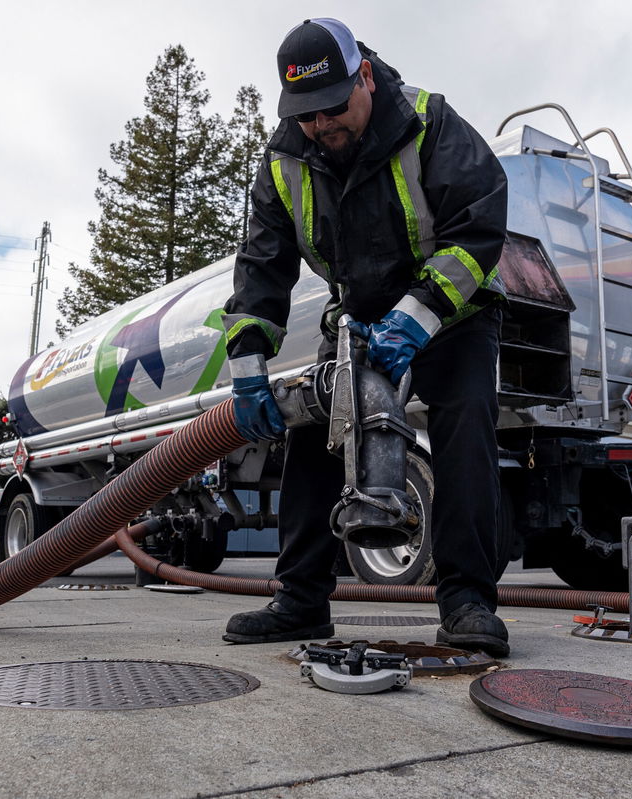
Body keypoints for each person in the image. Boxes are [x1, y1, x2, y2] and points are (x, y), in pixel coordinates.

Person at [221, 18, 510, 657]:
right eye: (307, 116)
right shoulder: (284, 162)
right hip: (357, 316)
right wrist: (247, 365)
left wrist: (417, 317)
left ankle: (467, 602)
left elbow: (480, 226)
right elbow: (261, 268)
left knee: (463, 429)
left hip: (452, 310)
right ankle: (300, 602)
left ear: (367, 78)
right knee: (313, 435)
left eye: (333, 109)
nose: (323, 127)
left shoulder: (430, 123)